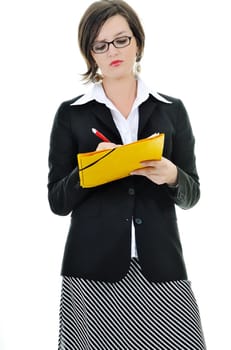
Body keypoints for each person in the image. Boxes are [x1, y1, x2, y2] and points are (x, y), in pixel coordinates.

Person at [48, 0, 207, 349]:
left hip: (161, 268)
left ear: (137, 41)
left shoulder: (171, 110)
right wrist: (92, 170)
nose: (112, 51)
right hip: (92, 274)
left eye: (121, 40)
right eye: (100, 45)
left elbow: (192, 192)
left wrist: (171, 175)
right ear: (90, 53)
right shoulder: (71, 115)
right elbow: (57, 201)